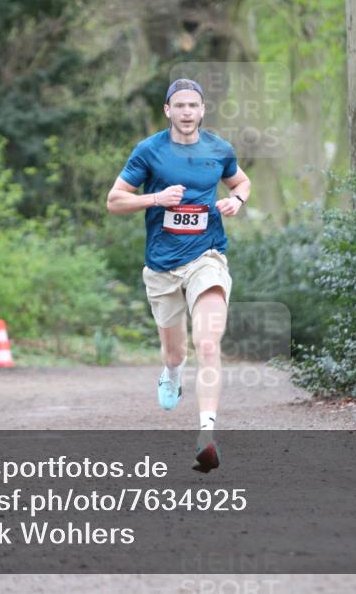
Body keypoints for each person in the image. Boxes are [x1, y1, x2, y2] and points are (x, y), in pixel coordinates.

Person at [106, 78, 251, 473]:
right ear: (168, 111)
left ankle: (206, 436)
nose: (187, 112)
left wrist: (236, 199)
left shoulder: (219, 149)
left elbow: (241, 180)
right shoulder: (149, 151)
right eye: (180, 105)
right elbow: (114, 200)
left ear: (202, 111)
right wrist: (154, 198)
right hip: (162, 266)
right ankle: (171, 373)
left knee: (208, 344)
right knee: (176, 352)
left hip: (207, 257)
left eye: (194, 105)